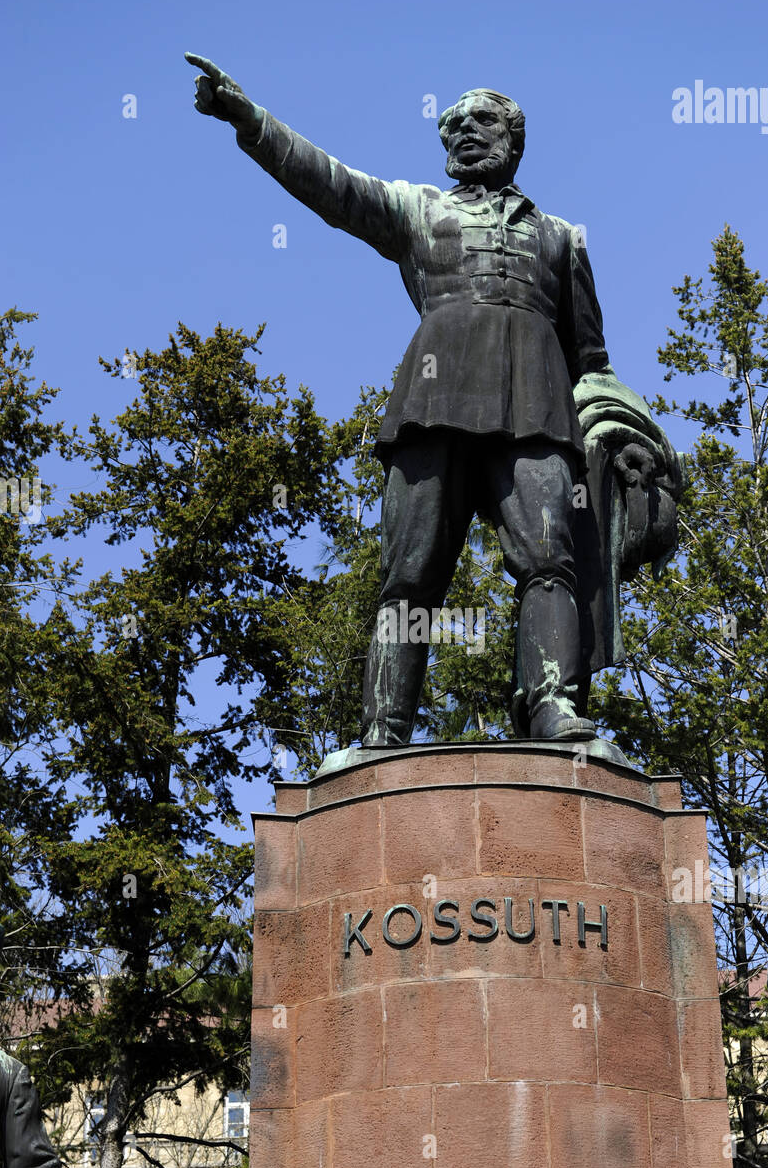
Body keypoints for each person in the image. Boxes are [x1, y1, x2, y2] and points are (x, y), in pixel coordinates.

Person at [185, 55, 682, 746]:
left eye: (479, 122)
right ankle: (383, 731)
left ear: (514, 139)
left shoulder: (561, 238)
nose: (462, 135)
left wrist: (624, 436)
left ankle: (549, 706)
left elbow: (590, 363)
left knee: (549, 561)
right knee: (410, 574)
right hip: (432, 401)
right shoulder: (416, 210)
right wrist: (249, 119)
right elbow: (328, 183)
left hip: (536, 409)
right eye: (450, 128)